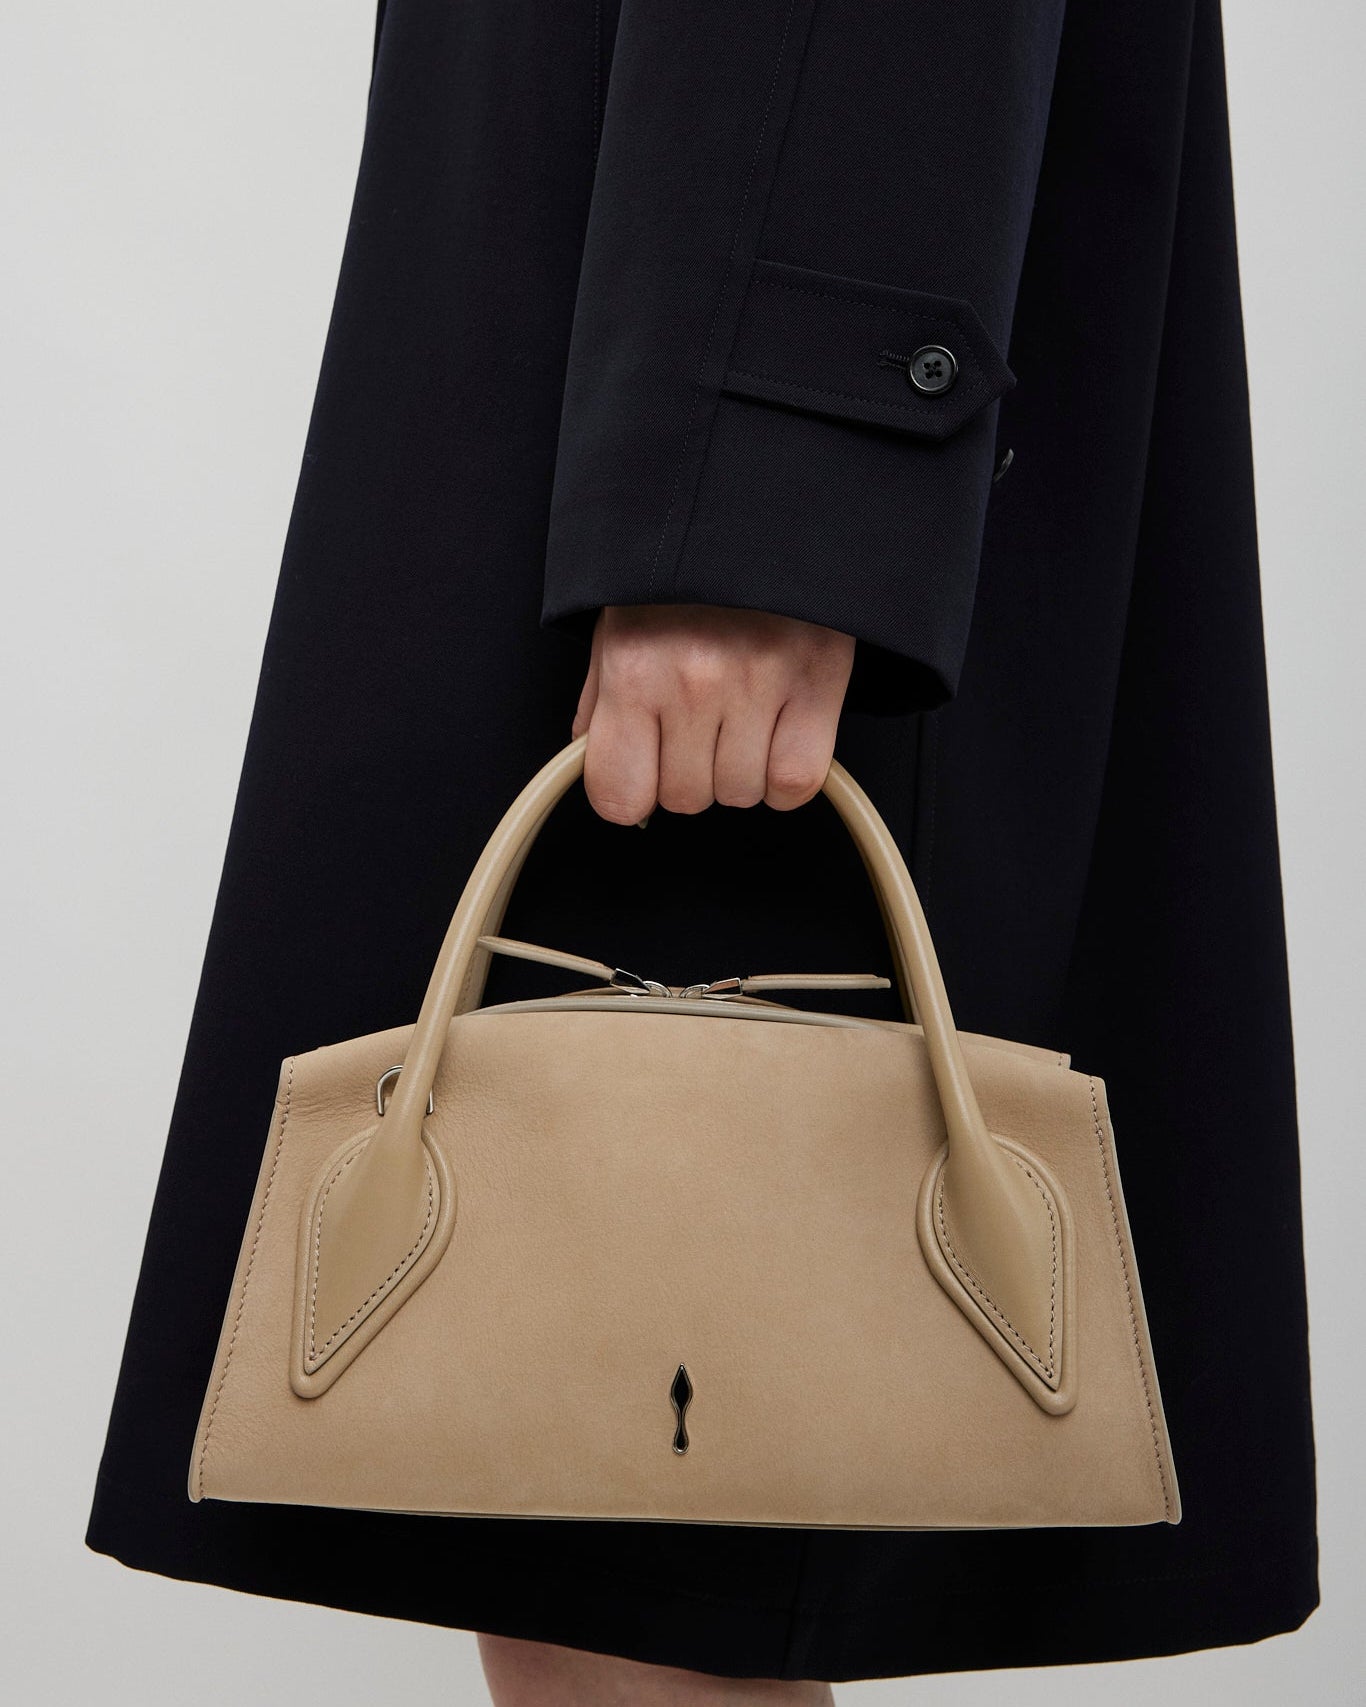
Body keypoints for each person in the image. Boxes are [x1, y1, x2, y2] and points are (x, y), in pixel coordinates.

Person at [86, 0, 1319, 1695]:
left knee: (658, 1529)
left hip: (714, 375)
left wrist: (771, 488)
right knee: (574, 1495)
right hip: (653, 317)